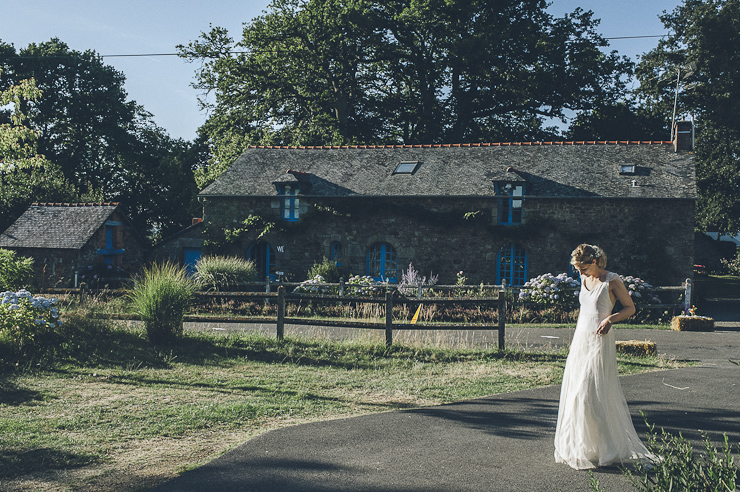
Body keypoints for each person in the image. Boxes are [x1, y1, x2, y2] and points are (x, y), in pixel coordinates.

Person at [554, 244, 654, 469]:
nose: (580, 273)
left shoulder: (612, 281)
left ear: (596, 262)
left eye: (583, 268)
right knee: (576, 395)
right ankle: (584, 446)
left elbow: (630, 308)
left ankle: (609, 448)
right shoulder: (584, 279)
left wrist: (610, 319)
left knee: (591, 393)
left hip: (600, 340)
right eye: (577, 269)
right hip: (581, 340)